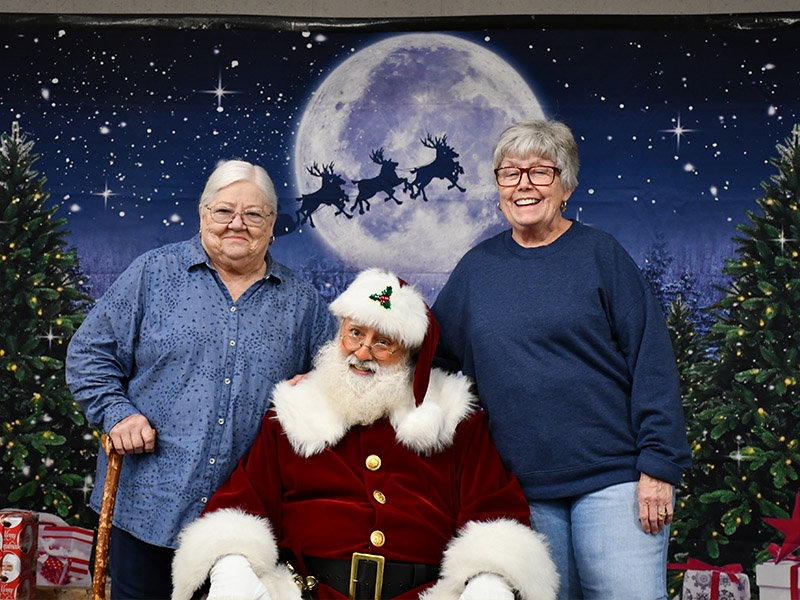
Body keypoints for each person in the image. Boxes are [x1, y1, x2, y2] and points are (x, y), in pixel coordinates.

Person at [171, 268, 559, 600]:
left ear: (409, 354)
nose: (363, 352)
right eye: (355, 333)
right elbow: (242, 504)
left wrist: (489, 582)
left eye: (383, 342)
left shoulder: (455, 420)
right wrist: (232, 567)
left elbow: (493, 512)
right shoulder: (294, 412)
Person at [431, 119, 692, 599]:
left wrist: (659, 465)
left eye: (540, 172)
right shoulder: (476, 271)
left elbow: (651, 359)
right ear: (498, 188)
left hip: (614, 480)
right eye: (510, 173)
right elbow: (429, 360)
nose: (523, 185)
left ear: (566, 186)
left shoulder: (601, 255)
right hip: (519, 488)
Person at [66, 159, 338, 600]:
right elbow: (89, 353)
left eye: (254, 214)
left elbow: (338, 385)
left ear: (272, 224)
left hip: (244, 526)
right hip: (147, 507)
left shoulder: (302, 303)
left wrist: (316, 393)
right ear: (203, 213)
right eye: (224, 210)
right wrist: (117, 414)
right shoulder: (153, 274)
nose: (237, 223)